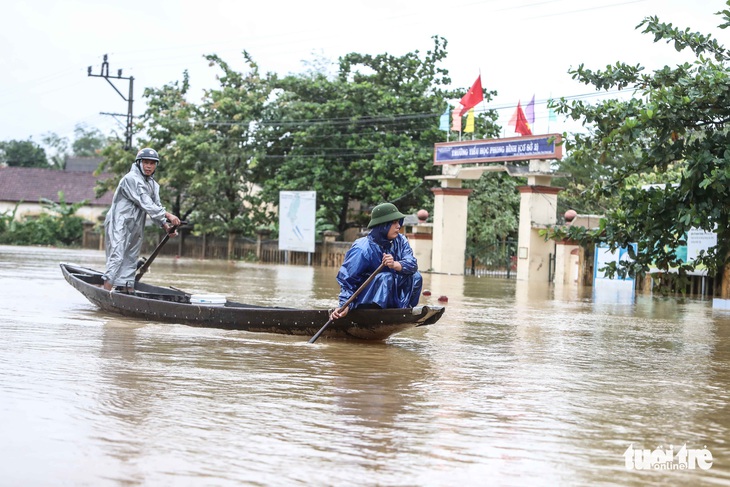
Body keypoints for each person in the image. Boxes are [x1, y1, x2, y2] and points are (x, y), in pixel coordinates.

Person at [102, 148, 181, 291]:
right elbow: (146, 202)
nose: (149, 166)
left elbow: (156, 206)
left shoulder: (153, 185)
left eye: (152, 163)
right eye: (145, 162)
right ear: (139, 163)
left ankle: (125, 288)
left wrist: (165, 226)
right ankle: (105, 289)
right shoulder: (131, 179)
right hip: (119, 221)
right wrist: (168, 216)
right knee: (117, 254)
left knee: (131, 257)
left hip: (136, 224)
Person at [330, 202, 422, 320]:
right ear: (383, 225)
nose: (398, 226)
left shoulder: (401, 240)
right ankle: (376, 314)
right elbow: (348, 280)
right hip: (366, 299)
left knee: (416, 277)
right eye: (393, 222)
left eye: (398, 222)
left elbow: (412, 264)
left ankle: (404, 311)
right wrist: (344, 305)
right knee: (386, 278)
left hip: (392, 296)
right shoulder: (362, 248)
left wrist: (395, 264)